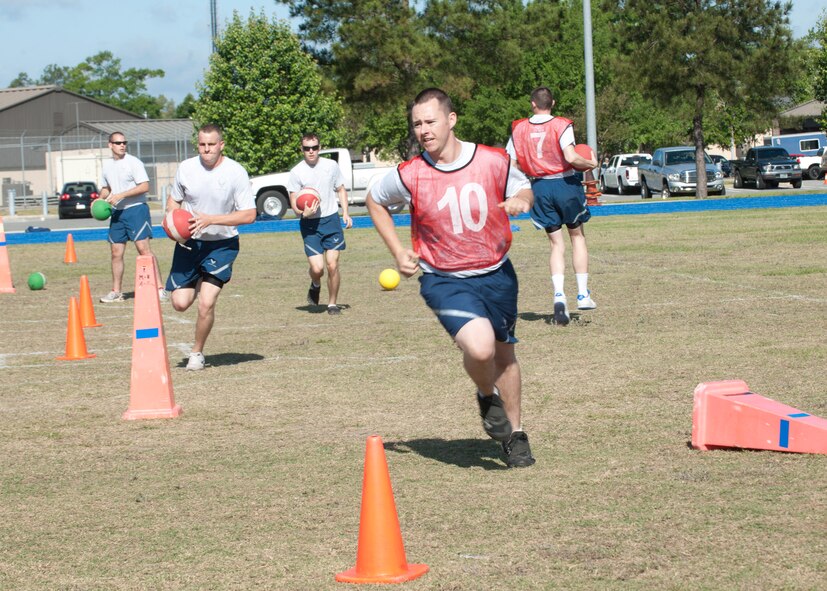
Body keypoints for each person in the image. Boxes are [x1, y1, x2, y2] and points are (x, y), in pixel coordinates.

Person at [367, 88, 536, 468]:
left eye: (430, 121)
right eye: (417, 124)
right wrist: (397, 251)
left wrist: (522, 200)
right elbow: (375, 200)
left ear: (451, 119)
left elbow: (522, 186)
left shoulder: (492, 160)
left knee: (505, 355)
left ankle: (516, 434)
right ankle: (484, 392)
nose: (423, 130)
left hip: (497, 274)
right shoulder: (410, 174)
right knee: (480, 349)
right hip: (444, 279)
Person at [165, 124, 256, 370]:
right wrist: (172, 220)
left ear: (221, 145)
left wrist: (211, 219)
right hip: (190, 245)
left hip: (222, 245)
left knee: (206, 302)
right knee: (180, 303)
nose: (207, 150)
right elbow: (174, 200)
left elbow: (249, 215)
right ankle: (197, 279)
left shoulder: (236, 172)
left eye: (211, 145)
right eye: (202, 145)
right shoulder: (186, 168)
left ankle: (197, 353)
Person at [506, 86, 598, 326]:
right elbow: (570, 157)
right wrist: (591, 162)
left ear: (532, 104)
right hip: (565, 183)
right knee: (577, 237)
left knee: (555, 244)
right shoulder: (561, 124)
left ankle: (559, 295)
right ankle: (582, 293)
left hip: (539, 188)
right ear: (553, 103)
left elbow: (511, 164)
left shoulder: (518, 128)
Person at [287, 133, 353, 315]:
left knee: (333, 264)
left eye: (314, 148)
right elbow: (293, 201)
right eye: (307, 148)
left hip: (331, 220)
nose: (311, 152)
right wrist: (302, 213)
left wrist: (345, 213)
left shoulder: (331, 166)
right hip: (309, 225)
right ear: (302, 149)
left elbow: (341, 189)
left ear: (319, 148)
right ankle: (315, 283)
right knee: (318, 269)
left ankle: (332, 304)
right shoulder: (296, 172)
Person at [99, 131, 166, 303]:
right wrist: (99, 200)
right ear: (110, 145)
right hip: (117, 212)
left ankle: (159, 289)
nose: (122, 145)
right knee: (116, 252)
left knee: (143, 249)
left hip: (136, 210)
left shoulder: (133, 162)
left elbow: (144, 186)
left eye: (124, 142)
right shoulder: (106, 165)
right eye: (118, 142)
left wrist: (121, 195)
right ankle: (116, 291)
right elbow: (106, 188)